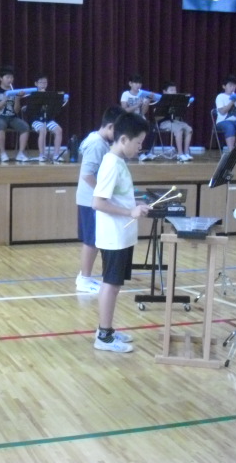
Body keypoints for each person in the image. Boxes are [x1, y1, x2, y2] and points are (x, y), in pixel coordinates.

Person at [92, 113, 150, 352]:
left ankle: (107, 330)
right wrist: (130, 212)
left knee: (114, 285)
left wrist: (136, 203)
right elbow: (98, 203)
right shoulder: (110, 164)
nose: (140, 147)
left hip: (122, 235)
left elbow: (119, 196)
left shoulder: (119, 162)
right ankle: (103, 336)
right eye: (138, 142)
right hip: (114, 236)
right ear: (124, 139)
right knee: (111, 284)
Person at [75, 106, 126, 293]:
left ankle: (85, 276)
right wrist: (103, 191)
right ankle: (84, 279)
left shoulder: (97, 140)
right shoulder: (96, 144)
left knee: (93, 240)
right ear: (110, 126)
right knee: (91, 241)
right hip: (90, 200)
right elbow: (87, 174)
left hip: (91, 198)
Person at [0, 66, 31, 163]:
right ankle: (3, 153)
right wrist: (4, 100)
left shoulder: (14, 91)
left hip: (12, 117)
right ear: (1, 78)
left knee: (25, 127)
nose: (10, 80)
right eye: (7, 77)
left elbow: (16, 111)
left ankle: (20, 154)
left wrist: (17, 98)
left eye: (11, 77)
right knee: (0, 125)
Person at [28, 73, 64, 162]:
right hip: (36, 120)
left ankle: (56, 155)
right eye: (41, 82)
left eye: (45, 82)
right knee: (43, 130)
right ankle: (42, 155)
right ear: (36, 83)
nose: (43, 84)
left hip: (47, 119)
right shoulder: (33, 95)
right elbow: (30, 110)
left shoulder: (51, 95)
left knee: (58, 130)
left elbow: (54, 109)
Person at [120, 74, 155, 162]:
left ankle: (146, 151)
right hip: (129, 118)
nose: (138, 85)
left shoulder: (142, 94)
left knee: (152, 128)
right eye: (135, 83)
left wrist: (147, 102)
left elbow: (143, 112)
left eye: (139, 83)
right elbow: (124, 110)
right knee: (138, 130)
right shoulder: (125, 94)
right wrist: (136, 105)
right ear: (130, 84)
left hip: (140, 118)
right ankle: (140, 153)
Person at [158, 81, 194, 162]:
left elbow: (179, 114)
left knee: (189, 129)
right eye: (171, 90)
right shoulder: (161, 100)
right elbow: (157, 116)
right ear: (165, 91)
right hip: (163, 122)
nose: (174, 92)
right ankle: (180, 154)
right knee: (178, 129)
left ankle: (186, 152)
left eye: (175, 90)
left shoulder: (177, 101)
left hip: (174, 121)